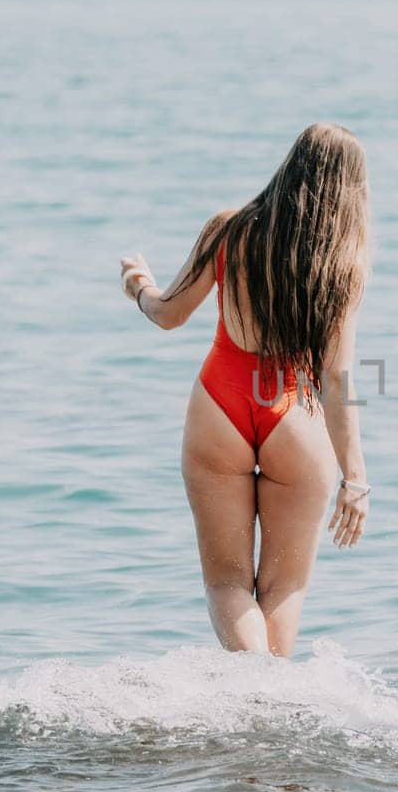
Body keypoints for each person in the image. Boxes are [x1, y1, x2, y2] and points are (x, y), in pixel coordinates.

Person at [118, 123, 371, 656]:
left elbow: (168, 315)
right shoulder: (341, 267)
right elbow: (335, 380)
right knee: (284, 587)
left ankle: (255, 686)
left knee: (227, 582)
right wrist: (356, 479)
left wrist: (138, 286)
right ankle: (271, 701)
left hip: (221, 403)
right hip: (295, 418)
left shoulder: (229, 229)